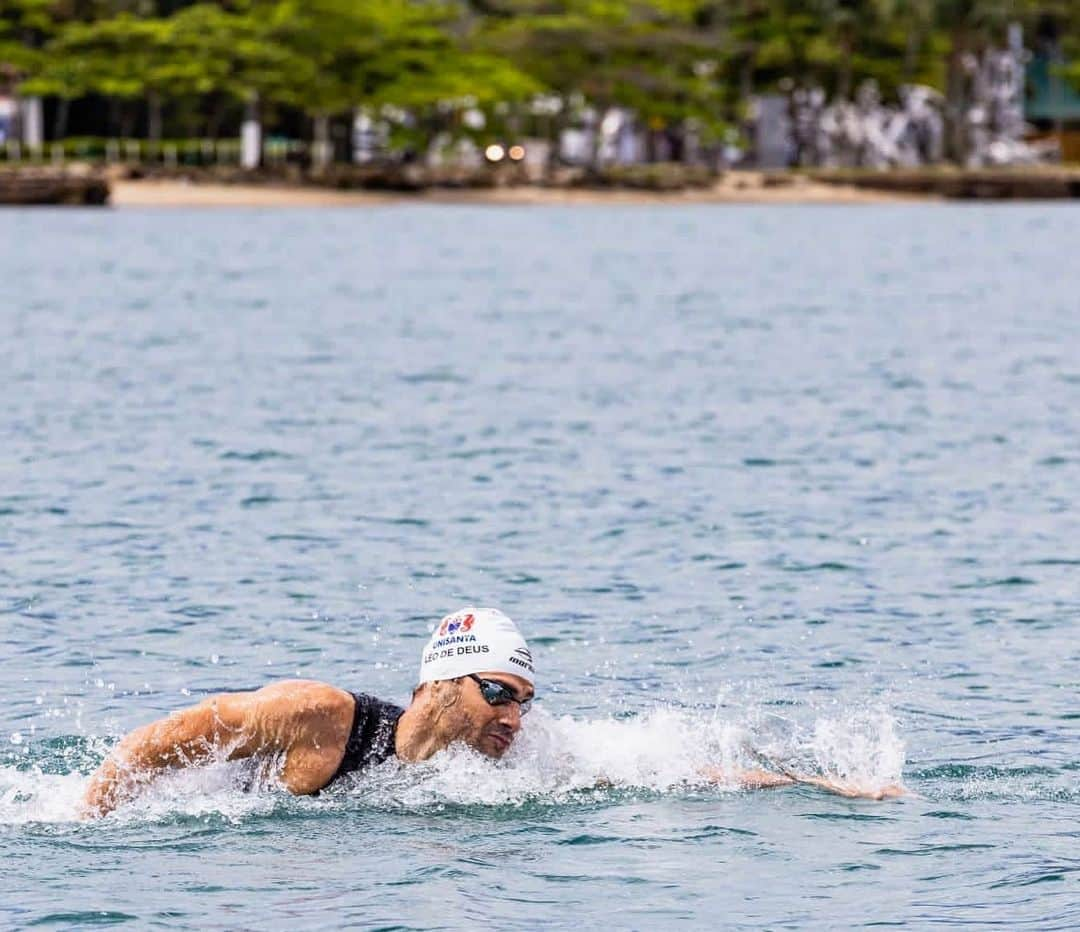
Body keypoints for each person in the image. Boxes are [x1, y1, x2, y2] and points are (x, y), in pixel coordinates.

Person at [82, 607, 902, 816]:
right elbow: (155, 744)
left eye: (527, 701)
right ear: (440, 686)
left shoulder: (523, 762)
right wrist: (96, 822)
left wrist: (820, 787)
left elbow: (672, 771)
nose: (515, 717)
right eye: (500, 694)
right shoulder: (318, 716)